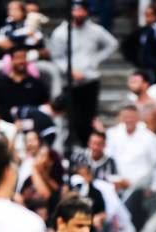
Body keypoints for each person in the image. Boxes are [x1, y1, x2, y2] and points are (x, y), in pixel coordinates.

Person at [49, 0, 118, 146]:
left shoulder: (95, 30)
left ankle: (88, 145)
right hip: (70, 82)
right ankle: (75, 145)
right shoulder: (61, 32)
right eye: (76, 10)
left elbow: (112, 44)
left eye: (82, 10)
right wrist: (69, 70)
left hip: (90, 79)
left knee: (89, 117)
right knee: (74, 118)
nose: (79, 14)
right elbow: (56, 57)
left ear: (87, 11)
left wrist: (95, 60)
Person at [0, 46, 49, 116]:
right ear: (11, 60)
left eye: (24, 57)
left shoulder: (36, 84)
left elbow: (44, 106)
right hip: (4, 124)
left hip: (31, 124)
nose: (21, 61)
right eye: (18, 58)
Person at [127, 70, 156, 140]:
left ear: (146, 84)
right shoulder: (129, 106)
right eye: (130, 82)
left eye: (135, 82)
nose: (131, 85)